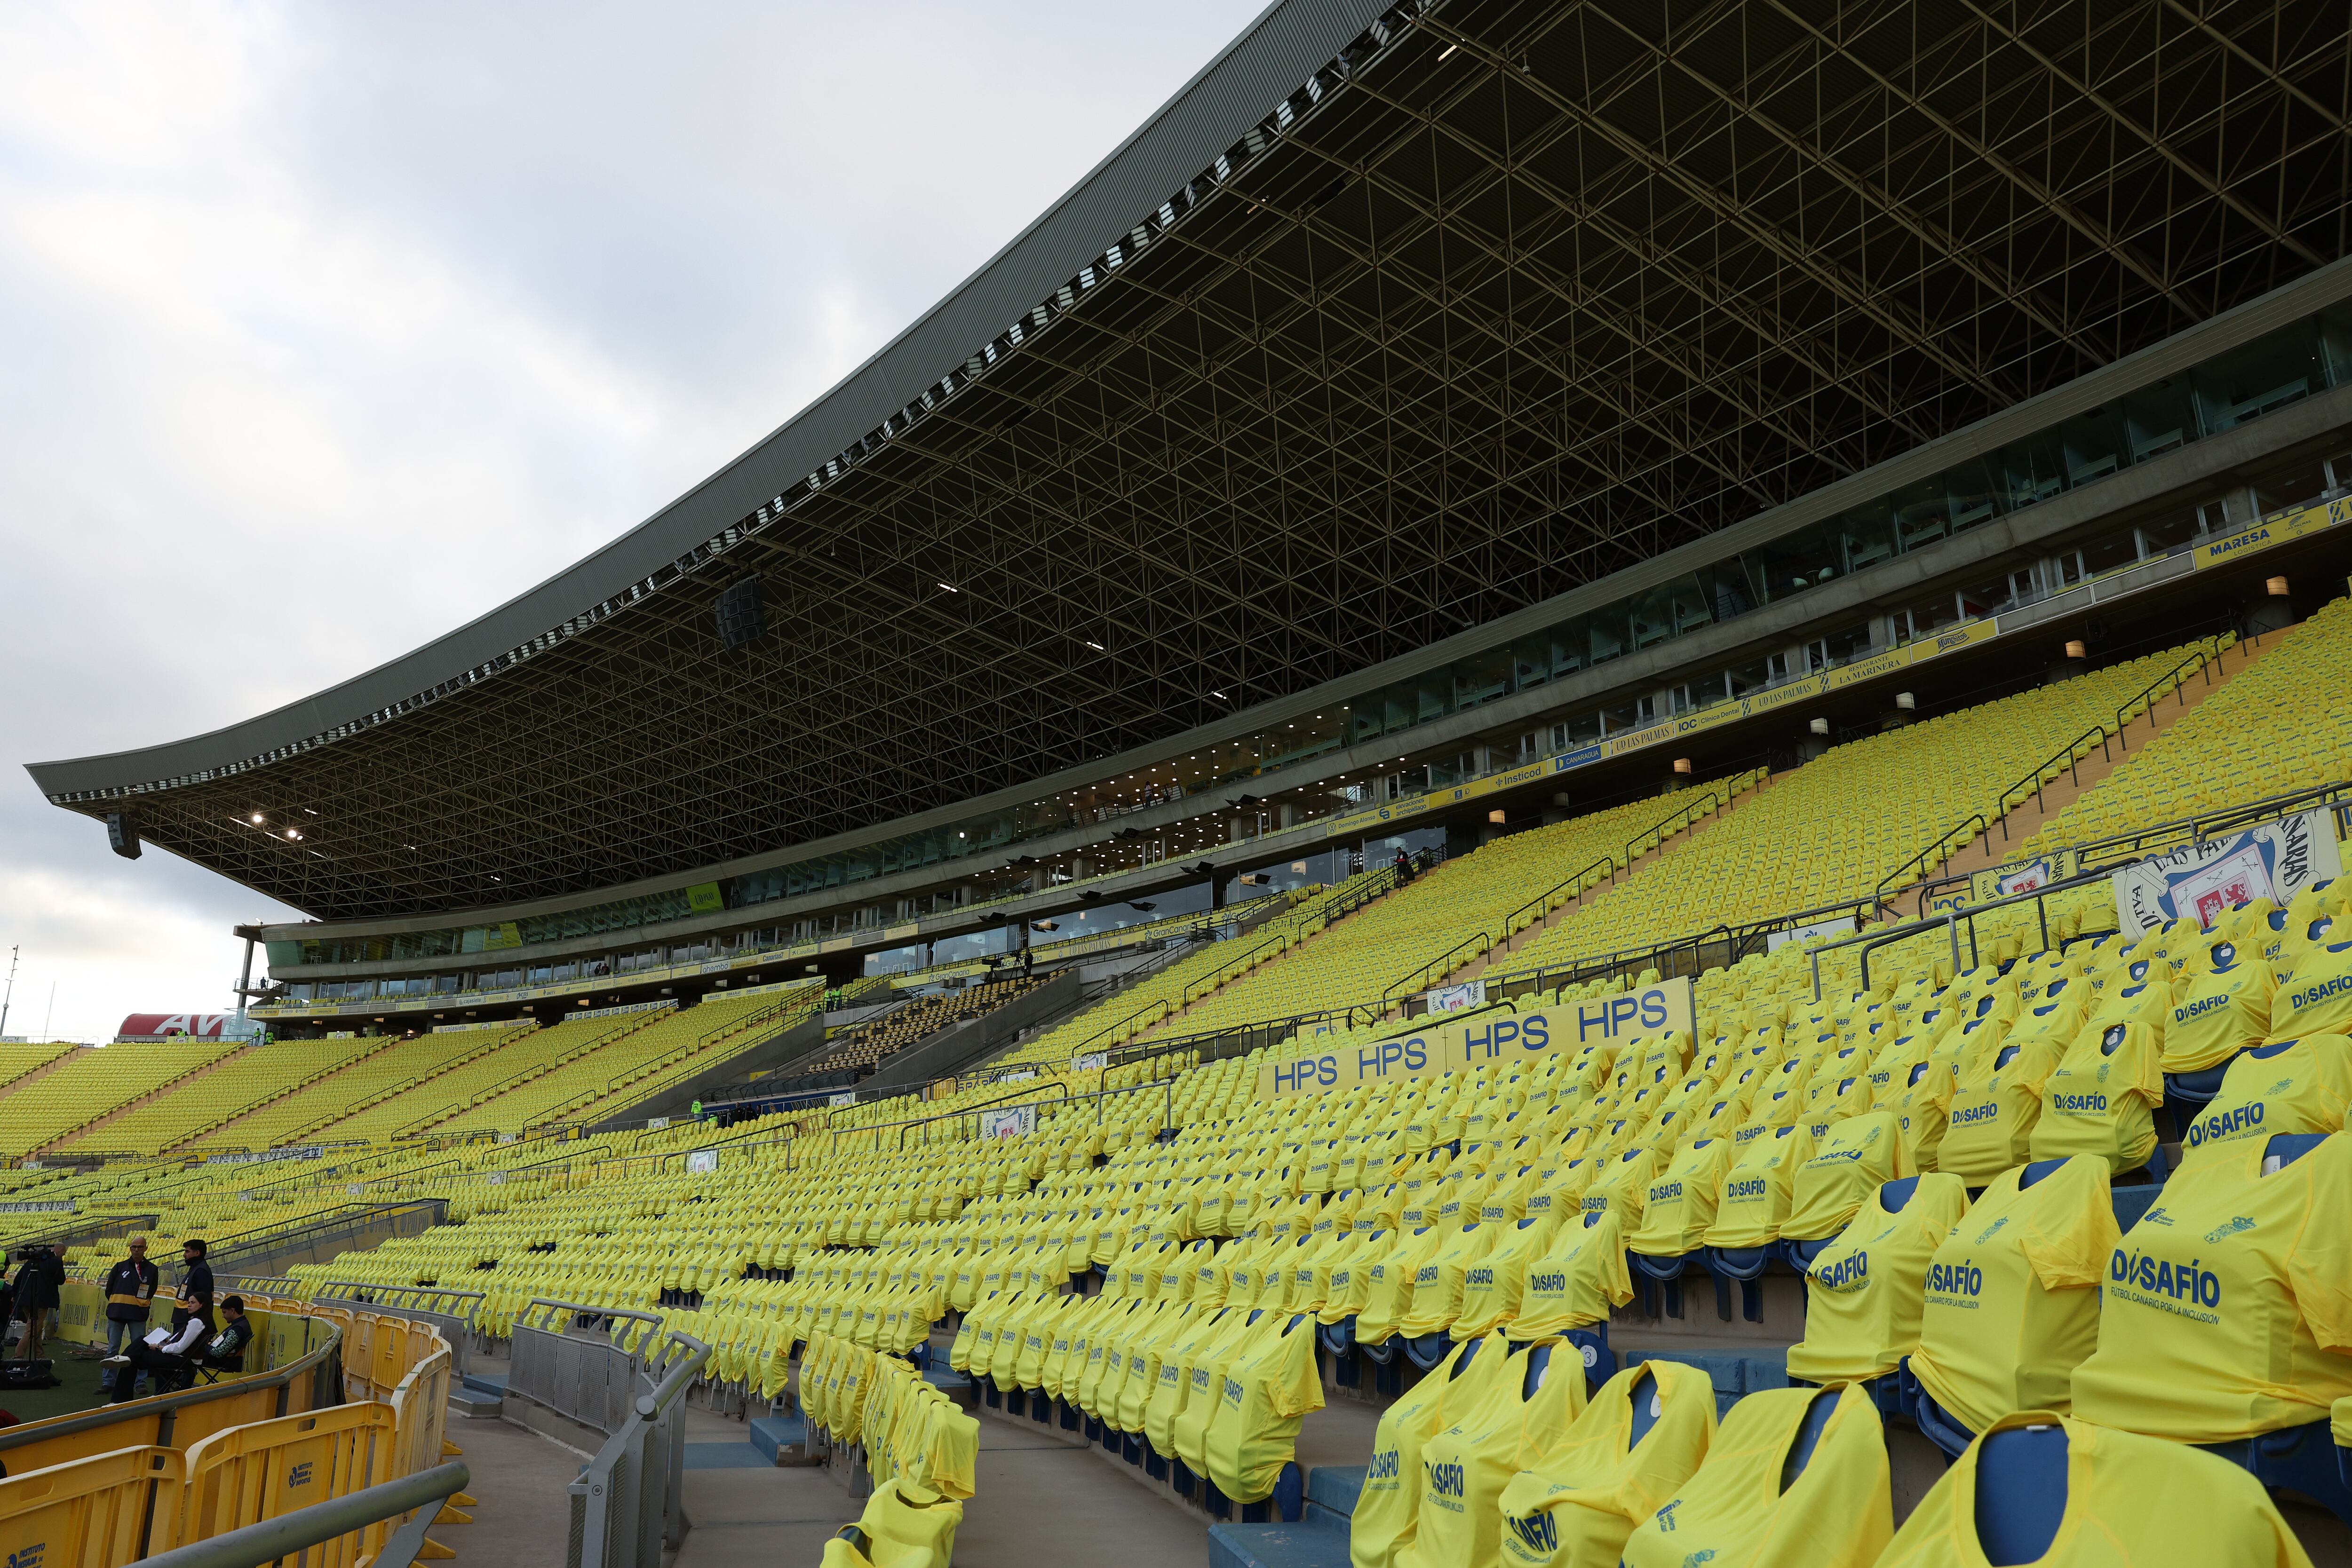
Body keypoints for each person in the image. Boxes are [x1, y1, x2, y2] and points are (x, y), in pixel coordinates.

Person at [103, 1295, 252, 1403]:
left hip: (186, 1360)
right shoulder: (235, 1326)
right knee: (137, 1351)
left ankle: (120, 1398)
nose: (188, 1305)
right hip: (187, 1358)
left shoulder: (235, 1329)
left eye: (192, 1303)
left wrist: (162, 1348)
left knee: (137, 1352)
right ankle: (127, 1375)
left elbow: (217, 1352)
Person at [11, 1245, 63, 1362]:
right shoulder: (56, 1262)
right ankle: (18, 1357)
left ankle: (39, 1355)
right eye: (63, 1254)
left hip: (25, 1299)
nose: (63, 1256)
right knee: (32, 1329)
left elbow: (18, 1279)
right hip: (42, 1301)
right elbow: (61, 1280)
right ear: (60, 1251)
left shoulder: (32, 1260)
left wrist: (15, 1295)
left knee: (36, 1328)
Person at [179, 1239, 215, 1329]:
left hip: (190, 1321)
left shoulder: (201, 1271)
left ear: (197, 1253)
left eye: (187, 1251)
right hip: (183, 1317)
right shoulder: (195, 1268)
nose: (184, 1255)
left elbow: (203, 1298)